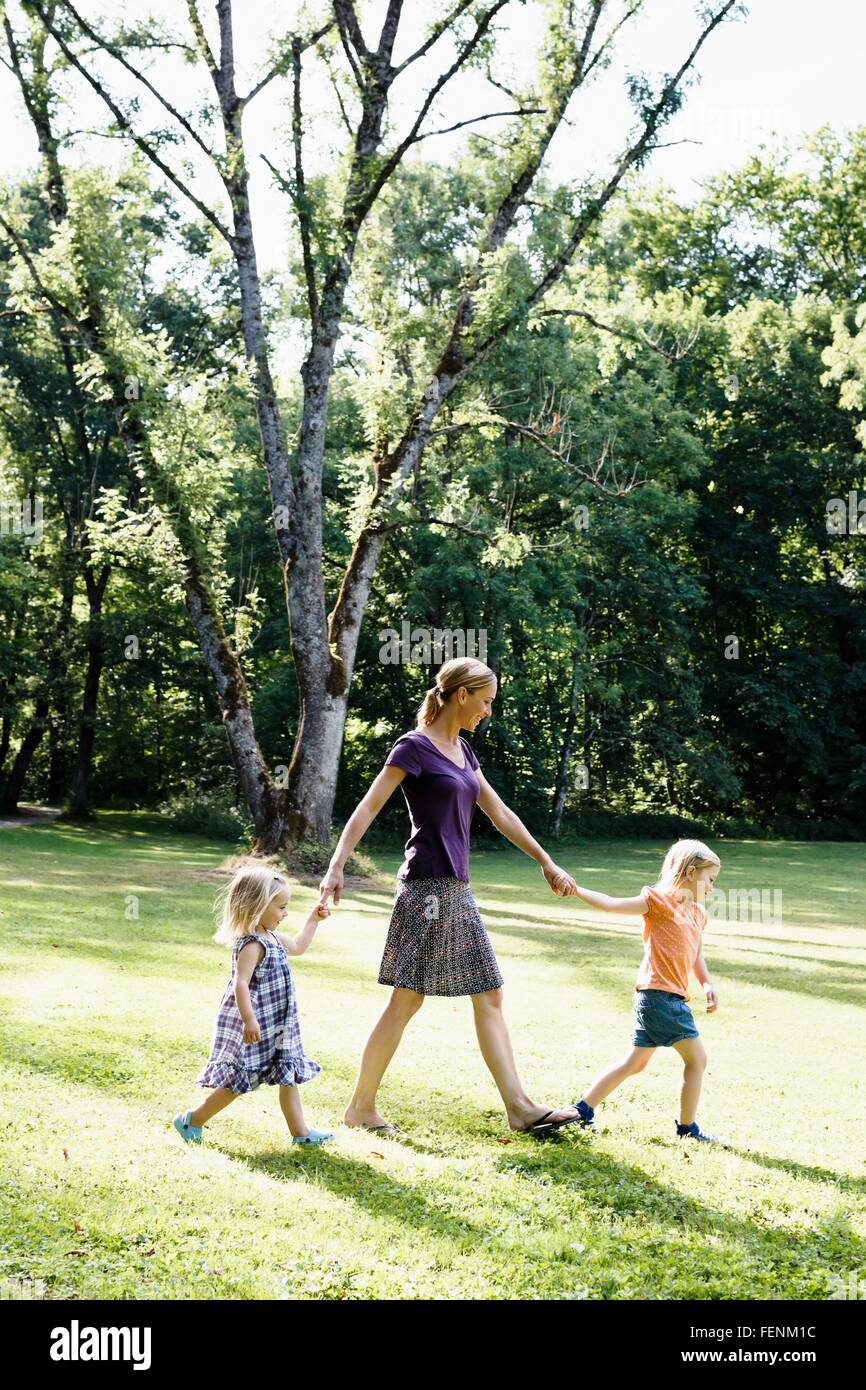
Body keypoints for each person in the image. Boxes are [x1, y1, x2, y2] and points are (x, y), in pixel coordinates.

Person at [317, 656, 580, 1136]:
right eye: (486, 701)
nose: (488, 710)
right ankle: (510, 1107)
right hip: (427, 887)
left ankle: (510, 1107)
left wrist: (546, 861)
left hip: (454, 886)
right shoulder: (413, 748)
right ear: (462, 695)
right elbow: (368, 807)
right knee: (432, 998)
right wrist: (336, 867)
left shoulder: (463, 753)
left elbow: (499, 812)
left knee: (444, 997)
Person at [566, 840, 726, 1143]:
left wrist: (706, 983)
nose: (712, 887)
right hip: (659, 997)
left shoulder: (697, 914)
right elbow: (612, 904)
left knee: (635, 1063)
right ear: (691, 872)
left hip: (661, 998)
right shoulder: (658, 902)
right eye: (711, 879)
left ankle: (581, 1111)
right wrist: (575, 889)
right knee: (697, 1061)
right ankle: (687, 1129)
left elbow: (696, 954)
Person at [173, 865, 334, 1147]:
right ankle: (192, 1120)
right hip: (256, 1022)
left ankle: (301, 1133)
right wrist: (249, 1020)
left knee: (287, 1073)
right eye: (281, 907)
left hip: (278, 1022)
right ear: (258, 907)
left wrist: (313, 921)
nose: (285, 913)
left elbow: (297, 947)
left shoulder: (272, 937)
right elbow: (240, 984)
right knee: (240, 1081)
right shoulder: (252, 944)